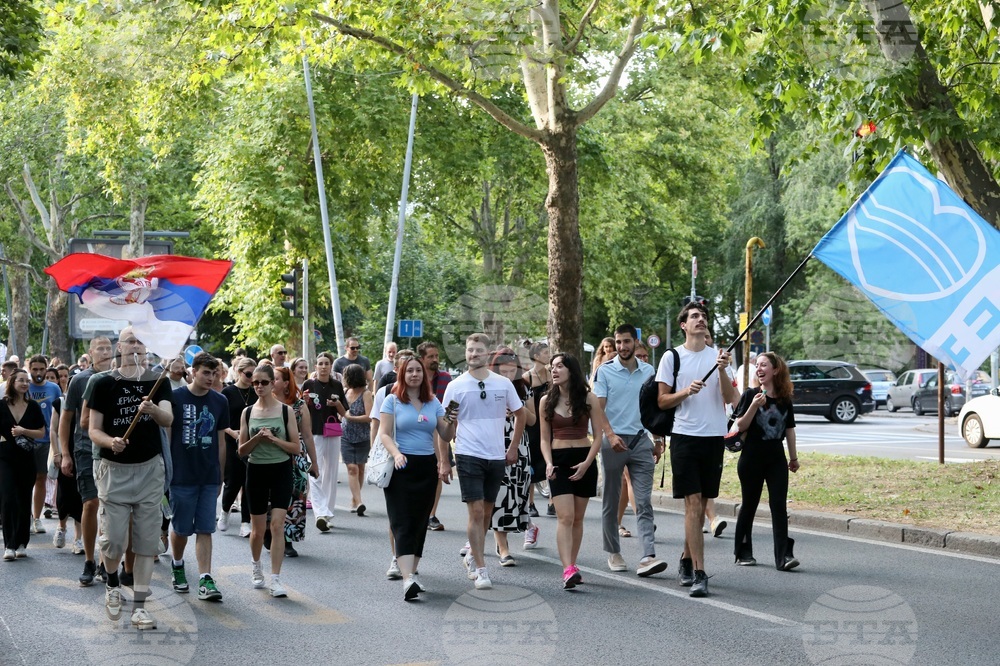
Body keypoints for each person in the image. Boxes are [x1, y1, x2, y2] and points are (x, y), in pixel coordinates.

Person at [88, 328, 174, 629]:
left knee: (147, 542)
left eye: (140, 342)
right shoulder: (102, 383)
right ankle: (112, 582)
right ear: (119, 347)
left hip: (150, 470)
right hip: (113, 470)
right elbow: (93, 430)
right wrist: (110, 441)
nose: (136, 346)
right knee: (113, 540)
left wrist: (152, 409)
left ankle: (139, 606)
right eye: (130, 341)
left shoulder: (158, 381)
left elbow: (168, 418)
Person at [656, 302, 737, 597]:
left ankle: (686, 559)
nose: (700, 319)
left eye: (703, 316)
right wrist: (685, 391)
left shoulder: (719, 357)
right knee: (692, 503)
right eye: (694, 316)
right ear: (684, 325)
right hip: (685, 437)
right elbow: (662, 400)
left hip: (714, 437)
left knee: (701, 505)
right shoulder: (672, 357)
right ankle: (700, 573)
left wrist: (723, 370)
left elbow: (731, 398)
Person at [442, 333, 526, 591]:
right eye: (470, 350)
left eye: (478, 350)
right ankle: (480, 568)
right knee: (476, 512)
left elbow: (521, 415)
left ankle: (472, 554)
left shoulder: (503, 384)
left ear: (487, 354)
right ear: (465, 353)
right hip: (468, 454)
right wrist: (444, 459)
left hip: (496, 455)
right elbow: (444, 428)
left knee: (487, 514)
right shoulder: (456, 386)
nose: (473, 354)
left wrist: (513, 447)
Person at [377, 356, 454, 600]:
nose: (414, 374)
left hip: (426, 467)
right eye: (409, 370)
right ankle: (408, 578)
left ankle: (410, 573)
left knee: (420, 523)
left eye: (418, 371)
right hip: (400, 467)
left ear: (424, 375)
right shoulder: (392, 400)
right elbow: (384, 433)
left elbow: (445, 434)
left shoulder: (433, 402)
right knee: (402, 522)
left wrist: (452, 419)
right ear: (402, 374)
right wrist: (397, 454)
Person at [594, 325, 667, 578]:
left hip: (641, 441)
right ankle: (614, 552)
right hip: (612, 441)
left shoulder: (649, 372)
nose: (622, 347)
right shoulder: (605, 371)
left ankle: (648, 556)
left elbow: (654, 409)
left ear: (635, 343)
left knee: (644, 501)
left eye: (626, 342)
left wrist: (658, 438)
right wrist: (610, 435)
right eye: (618, 342)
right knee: (611, 500)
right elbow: (598, 408)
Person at [540, 352, 613, 589]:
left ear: (571, 370)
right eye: (552, 366)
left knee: (578, 518)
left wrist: (587, 463)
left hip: (584, 459)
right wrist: (548, 463)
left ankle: (572, 564)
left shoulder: (589, 398)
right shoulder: (546, 401)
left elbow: (598, 435)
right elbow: (544, 439)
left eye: (560, 366)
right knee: (565, 516)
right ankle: (567, 569)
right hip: (558, 462)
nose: (554, 370)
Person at [168, 353, 229, 601]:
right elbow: (168, 436)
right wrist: (167, 472)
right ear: (193, 372)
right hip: (181, 475)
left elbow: (221, 441)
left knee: (205, 528)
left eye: (214, 373)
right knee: (181, 529)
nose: (210, 378)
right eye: (206, 372)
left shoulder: (220, 401)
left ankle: (205, 578)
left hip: (208, 476)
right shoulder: (175, 397)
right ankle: (177, 565)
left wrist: (220, 475)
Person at [732, 352, 801, 571]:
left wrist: (793, 458)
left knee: (778, 505)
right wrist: (754, 406)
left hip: (776, 458)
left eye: (764, 365)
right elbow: (740, 426)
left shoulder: (784, 399)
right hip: (751, 457)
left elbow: (789, 430)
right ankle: (743, 551)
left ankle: (783, 557)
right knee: (749, 504)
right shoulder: (750, 394)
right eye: (757, 365)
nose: (759, 369)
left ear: (776, 370)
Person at [238, 364, 301, 597]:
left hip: (281, 470)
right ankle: (256, 567)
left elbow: (296, 447)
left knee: (277, 525)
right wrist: (256, 438)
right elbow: (241, 451)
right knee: (257, 530)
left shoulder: (286, 411)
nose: (259, 386)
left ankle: (275, 579)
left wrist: (274, 439)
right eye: (255, 382)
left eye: (264, 382)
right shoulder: (247, 412)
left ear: (273, 383)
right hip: (256, 470)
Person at [59, 336, 114, 585]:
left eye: (108, 348)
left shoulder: (118, 378)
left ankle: (105, 563)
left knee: (109, 508)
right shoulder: (80, 380)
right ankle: (90, 560)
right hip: (84, 450)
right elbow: (66, 418)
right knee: (91, 503)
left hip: (112, 451)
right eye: (100, 349)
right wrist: (65, 454)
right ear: (90, 353)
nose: (105, 352)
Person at [489, 348, 538, 566]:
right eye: (503, 371)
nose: (508, 375)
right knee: (498, 494)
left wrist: (518, 408)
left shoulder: (524, 388)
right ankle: (503, 548)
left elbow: (533, 420)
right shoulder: (487, 386)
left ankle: (501, 537)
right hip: (492, 444)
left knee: (515, 495)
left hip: (519, 447)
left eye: (512, 371)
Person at [272, 366, 318, 558]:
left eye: (275, 378)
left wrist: (314, 463)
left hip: (296, 455)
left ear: (285, 383)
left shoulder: (299, 405)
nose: (270, 382)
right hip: (271, 453)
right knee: (271, 495)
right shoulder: (263, 403)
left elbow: (307, 435)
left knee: (296, 496)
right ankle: (270, 533)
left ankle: (288, 539)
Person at [0, 369, 46, 560]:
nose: (25, 383)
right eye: (21, 380)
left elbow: (41, 432)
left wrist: (23, 431)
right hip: (5, 457)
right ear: (12, 382)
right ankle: (9, 545)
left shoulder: (33, 406)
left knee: (24, 499)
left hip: (26, 457)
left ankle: (21, 543)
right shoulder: (1, 405)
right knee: (8, 498)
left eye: (27, 381)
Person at [301, 352, 348, 531]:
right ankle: (320, 512)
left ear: (330, 366)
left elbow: (344, 412)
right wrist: (304, 401)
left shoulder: (337, 385)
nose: (323, 367)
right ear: (316, 367)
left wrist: (336, 404)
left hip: (332, 431)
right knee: (315, 470)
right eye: (320, 364)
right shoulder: (309, 384)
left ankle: (328, 512)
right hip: (313, 432)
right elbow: (300, 408)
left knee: (331, 473)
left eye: (326, 363)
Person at [220, 357, 257, 537]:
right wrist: (232, 433)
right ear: (239, 372)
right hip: (231, 441)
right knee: (233, 481)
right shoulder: (228, 392)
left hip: (252, 441)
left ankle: (245, 522)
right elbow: (221, 420)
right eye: (249, 374)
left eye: (254, 375)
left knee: (249, 482)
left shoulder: (256, 392)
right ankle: (225, 510)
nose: (252, 379)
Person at [417, 341, 451, 531]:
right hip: (418, 430)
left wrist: (451, 427)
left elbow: (454, 404)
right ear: (422, 359)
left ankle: (431, 514)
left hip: (439, 430)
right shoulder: (415, 377)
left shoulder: (446, 378)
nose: (435, 359)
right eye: (431, 356)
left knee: (438, 470)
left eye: (436, 356)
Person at [27, 354, 61, 535]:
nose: (38, 373)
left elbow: (60, 414)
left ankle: (37, 518)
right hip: (26, 439)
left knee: (41, 479)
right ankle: (26, 517)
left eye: (41, 369)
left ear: (46, 369)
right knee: (25, 480)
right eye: (35, 369)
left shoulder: (54, 388)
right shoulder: (24, 386)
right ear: (29, 369)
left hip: (47, 440)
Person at [522, 341, 551, 521]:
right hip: (533, 425)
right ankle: (530, 503)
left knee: (550, 460)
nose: (548, 355)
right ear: (536, 356)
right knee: (531, 461)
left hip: (549, 422)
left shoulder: (551, 375)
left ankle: (552, 501)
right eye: (546, 352)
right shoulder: (527, 377)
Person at [341, 364, 373, 516]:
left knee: (360, 468)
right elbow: (341, 412)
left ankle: (355, 499)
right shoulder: (345, 391)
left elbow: (369, 417)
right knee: (352, 468)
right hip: (345, 435)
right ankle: (359, 502)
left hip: (362, 436)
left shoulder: (366, 394)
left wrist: (350, 418)